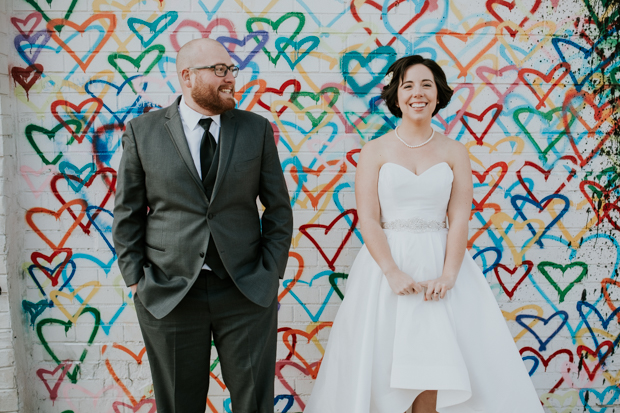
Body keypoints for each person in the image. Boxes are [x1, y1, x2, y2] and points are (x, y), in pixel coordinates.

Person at [304, 55, 543, 413]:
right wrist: (391, 271)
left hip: (441, 265)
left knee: (436, 368)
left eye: (426, 85)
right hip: (386, 267)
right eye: (408, 85)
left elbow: (459, 218)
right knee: (383, 367)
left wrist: (449, 275)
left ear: (438, 93)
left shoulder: (454, 151)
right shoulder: (375, 151)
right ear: (396, 96)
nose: (418, 93)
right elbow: (368, 218)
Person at [112, 38, 293, 413]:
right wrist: (136, 279)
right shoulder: (142, 132)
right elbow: (127, 212)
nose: (231, 79)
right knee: (179, 405)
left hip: (245, 291)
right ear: (187, 76)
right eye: (220, 70)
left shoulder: (256, 129)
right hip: (169, 292)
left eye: (232, 70)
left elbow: (278, 208)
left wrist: (270, 272)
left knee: (255, 405)